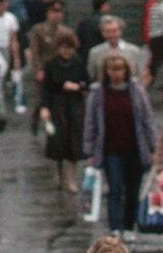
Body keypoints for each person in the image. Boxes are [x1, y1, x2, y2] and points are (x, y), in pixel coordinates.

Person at [83, 53, 155, 234]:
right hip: (110, 150)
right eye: (112, 69)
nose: (116, 73)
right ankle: (115, 227)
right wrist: (90, 150)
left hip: (134, 149)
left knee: (132, 191)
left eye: (120, 69)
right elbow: (91, 122)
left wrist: (153, 147)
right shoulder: (98, 93)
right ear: (106, 71)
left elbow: (147, 120)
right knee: (114, 188)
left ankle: (129, 226)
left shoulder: (137, 91)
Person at [40, 29, 86, 191]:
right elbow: (46, 88)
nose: (67, 51)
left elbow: (86, 82)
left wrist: (78, 86)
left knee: (73, 142)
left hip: (75, 105)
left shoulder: (79, 62)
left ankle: (71, 179)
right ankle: (59, 173)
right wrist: (45, 107)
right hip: (57, 105)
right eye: (64, 47)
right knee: (58, 141)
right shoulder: (51, 64)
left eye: (70, 48)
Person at [26, 0, 68, 129]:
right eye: (54, 12)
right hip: (44, 68)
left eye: (60, 12)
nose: (57, 15)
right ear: (47, 13)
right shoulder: (38, 30)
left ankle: (58, 122)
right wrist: (38, 70)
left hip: (60, 69)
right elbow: (35, 51)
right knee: (40, 99)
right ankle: (35, 119)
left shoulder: (66, 31)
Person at [84, 15, 144, 84]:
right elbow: (91, 76)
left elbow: (140, 75)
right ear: (102, 33)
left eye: (114, 31)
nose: (111, 35)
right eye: (107, 31)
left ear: (121, 31)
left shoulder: (134, 51)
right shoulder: (94, 52)